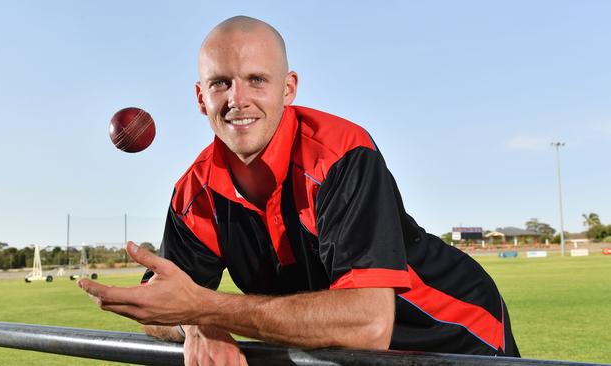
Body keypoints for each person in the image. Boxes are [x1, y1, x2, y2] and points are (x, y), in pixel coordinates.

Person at [78, 15, 520, 365]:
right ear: (200, 98)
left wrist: (204, 308)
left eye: (257, 79)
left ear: (288, 88)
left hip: (454, 336)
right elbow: (164, 303)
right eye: (220, 83)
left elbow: (367, 324)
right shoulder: (195, 192)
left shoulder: (340, 155)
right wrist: (195, 321)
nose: (237, 99)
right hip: (351, 355)